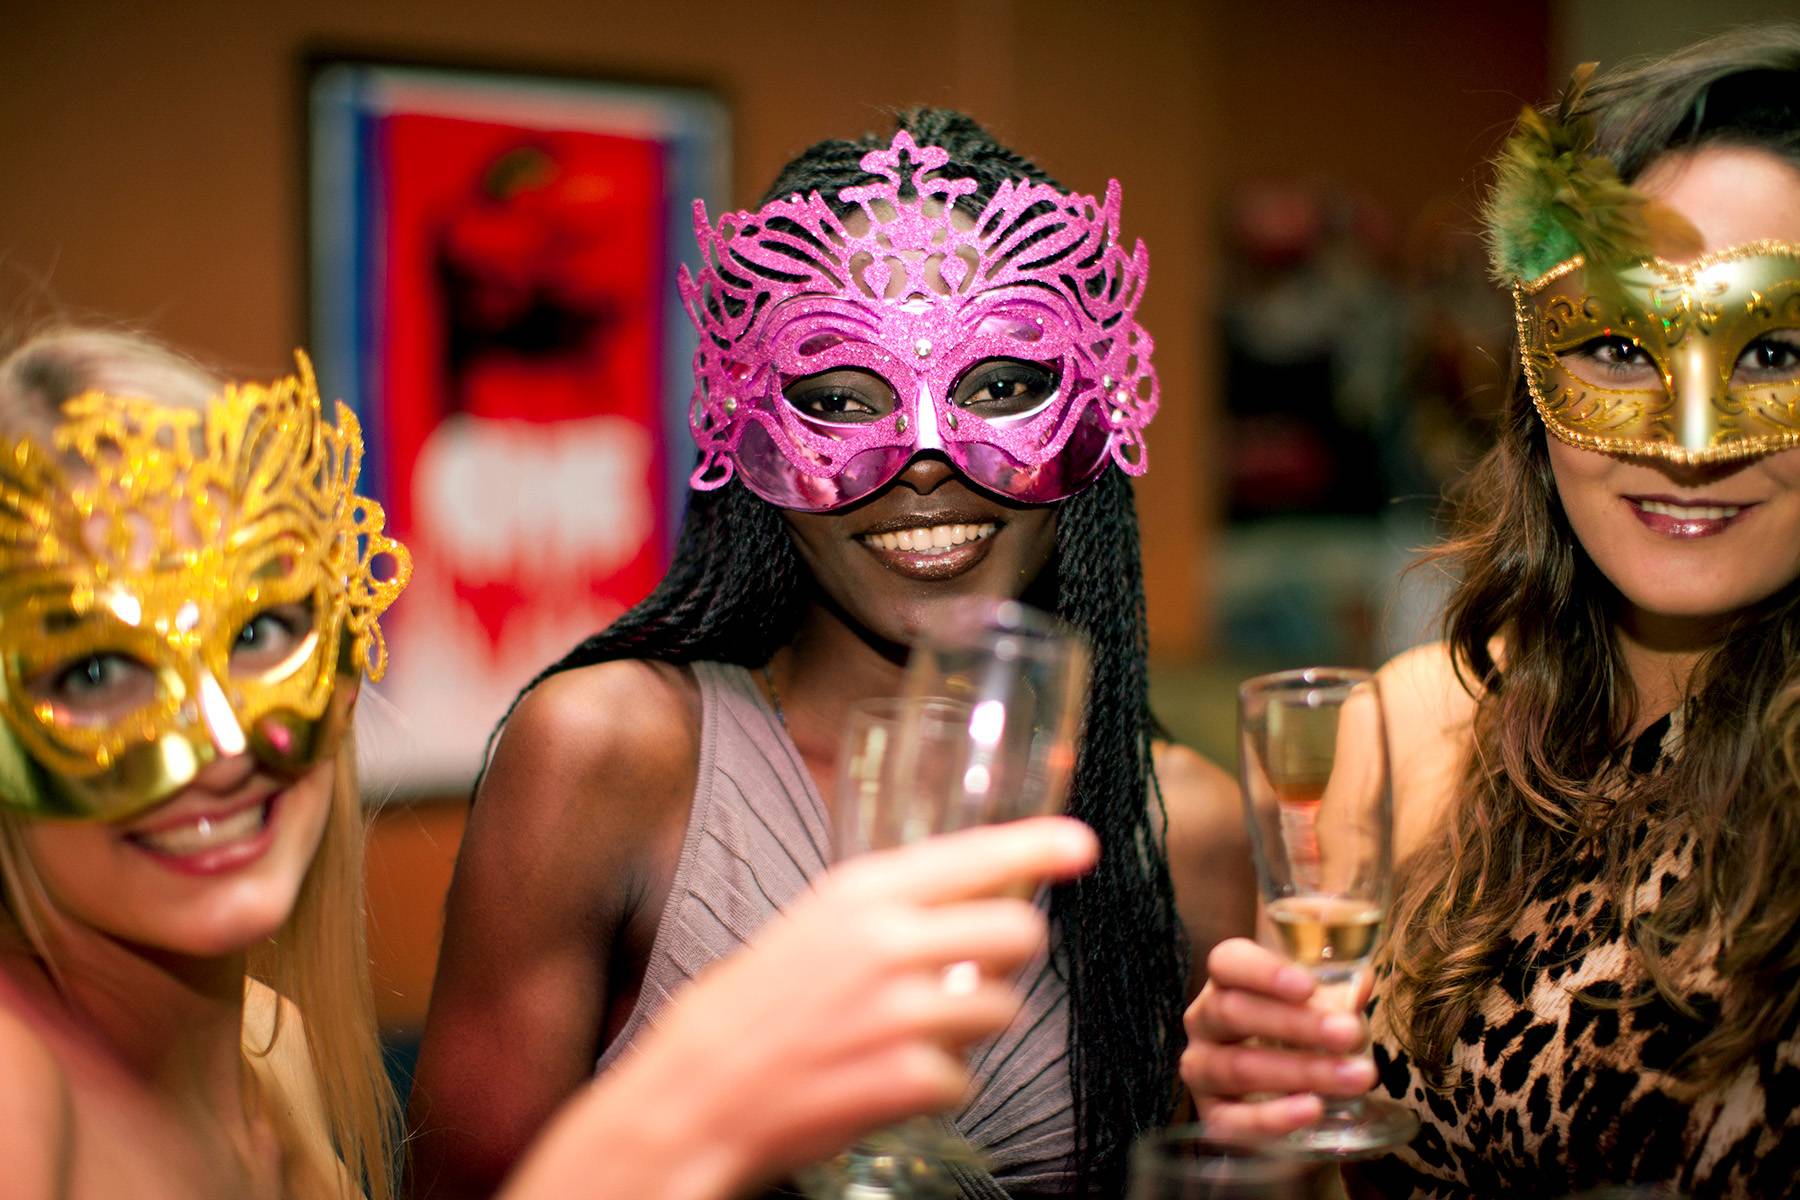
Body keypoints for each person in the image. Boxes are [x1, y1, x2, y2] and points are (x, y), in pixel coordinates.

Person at [0, 326, 1104, 1200]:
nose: (225, 743)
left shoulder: (266, 1045)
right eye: (95, 673)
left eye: (256, 634)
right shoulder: (17, 1091)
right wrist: (688, 1103)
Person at [407, 109, 1251, 1199]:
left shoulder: (1182, 825)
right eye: (838, 400)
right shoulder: (607, 755)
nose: (927, 461)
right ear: (746, 426)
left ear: (1097, 411)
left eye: (1000, 387)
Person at [1181, 29, 1800, 1198]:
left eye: (1773, 348)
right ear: (1534, 378)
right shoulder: (1418, 736)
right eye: (1617, 346)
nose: (1694, 440)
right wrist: (1263, 1129)